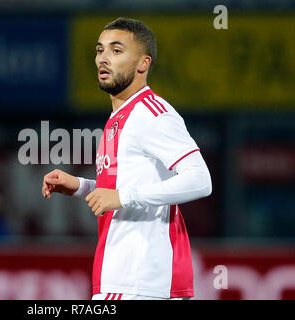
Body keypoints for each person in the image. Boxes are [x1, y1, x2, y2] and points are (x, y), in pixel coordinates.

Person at [41, 17, 212, 300]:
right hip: (125, 277)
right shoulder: (120, 116)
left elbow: (200, 180)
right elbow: (126, 188)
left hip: (141, 279)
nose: (103, 59)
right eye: (100, 50)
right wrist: (82, 187)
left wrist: (124, 196)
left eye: (116, 50)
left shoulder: (153, 114)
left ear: (142, 64)